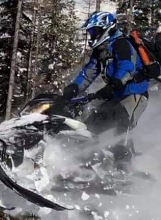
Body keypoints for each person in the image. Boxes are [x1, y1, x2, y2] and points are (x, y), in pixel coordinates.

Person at [61, 11, 149, 168]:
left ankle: (124, 170)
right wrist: (73, 88)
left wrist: (113, 84)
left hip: (134, 94)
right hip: (114, 95)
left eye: (94, 31)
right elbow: (88, 74)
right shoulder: (99, 51)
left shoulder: (122, 44)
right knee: (90, 126)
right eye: (91, 32)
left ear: (106, 29)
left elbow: (127, 67)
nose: (92, 36)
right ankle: (82, 165)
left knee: (123, 126)